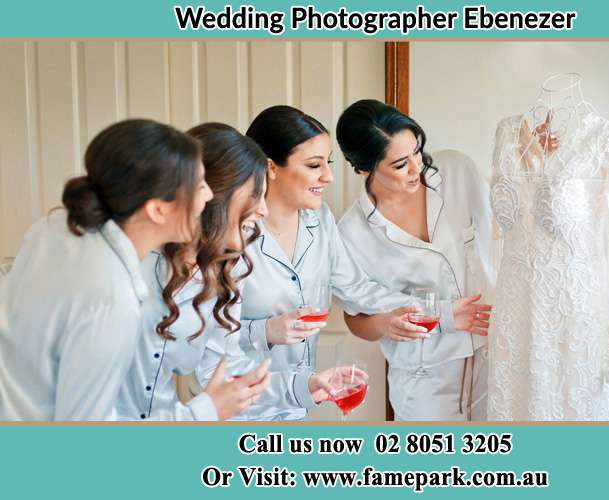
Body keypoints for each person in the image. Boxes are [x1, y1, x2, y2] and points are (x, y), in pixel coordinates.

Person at [196, 105, 414, 421]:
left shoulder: (320, 220)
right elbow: (209, 340)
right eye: (314, 165)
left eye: (328, 163)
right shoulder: (228, 236)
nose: (328, 176)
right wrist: (265, 330)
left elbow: (355, 288)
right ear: (270, 167)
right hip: (238, 413)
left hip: (297, 403)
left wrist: (435, 312)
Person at [0, 119, 209, 420]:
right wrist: (203, 412)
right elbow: (87, 443)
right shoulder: (112, 302)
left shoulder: (54, 227)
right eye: (200, 185)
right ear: (157, 209)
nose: (209, 196)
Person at [336, 100, 494, 420]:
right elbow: (355, 319)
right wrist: (383, 322)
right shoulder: (351, 234)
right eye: (399, 164)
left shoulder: (457, 172)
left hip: (489, 356)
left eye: (417, 152)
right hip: (424, 378)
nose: (416, 169)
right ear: (364, 167)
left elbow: (512, 223)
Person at [116, 123, 271, 421]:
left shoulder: (224, 269)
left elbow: (221, 366)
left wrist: (300, 385)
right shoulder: (131, 263)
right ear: (211, 193)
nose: (263, 209)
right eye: (255, 195)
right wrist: (204, 413)